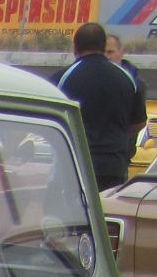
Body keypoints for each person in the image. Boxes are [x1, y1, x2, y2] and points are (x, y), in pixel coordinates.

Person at [53, 22, 142, 190]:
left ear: (75, 48)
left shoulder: (63, 78)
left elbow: (50, 118)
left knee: (69, 214)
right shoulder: (127, 79)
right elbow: (138, 123)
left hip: (74, 163)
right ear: (103, 47)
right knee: (105, 213)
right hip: (114, 166)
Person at [105, 32, 150, 169]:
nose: (106, 56)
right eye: (102, 53)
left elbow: (139, 122)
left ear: (121, 52)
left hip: (119, 159)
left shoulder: (135, 84)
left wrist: (117, 137)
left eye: (110, 52)